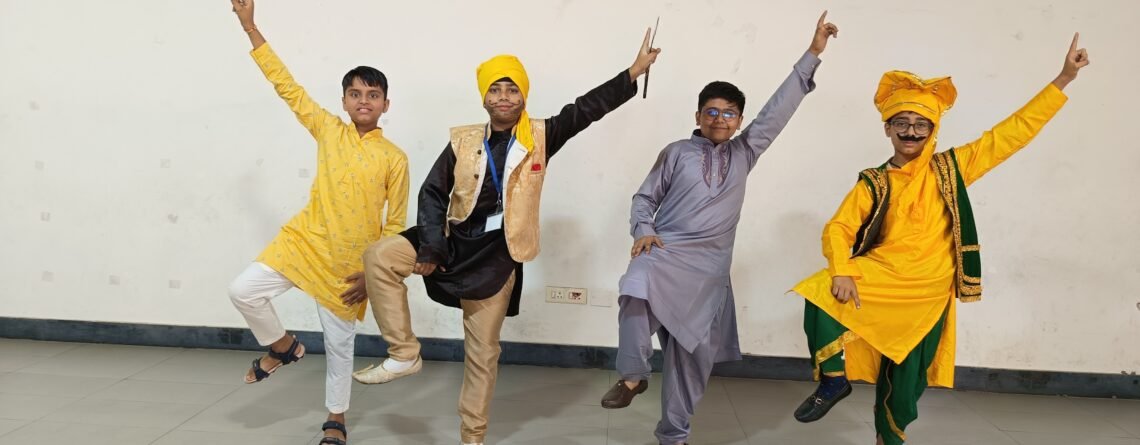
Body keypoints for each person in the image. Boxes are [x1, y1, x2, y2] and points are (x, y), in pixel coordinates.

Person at [789, 33, 1089, 445]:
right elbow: (839, 228)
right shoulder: (874, 181)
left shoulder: (951, 168)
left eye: (920, 124)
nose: (911, 132)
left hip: (928, 290)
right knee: (819, 289)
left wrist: (1064, 78)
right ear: (888, 129)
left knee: (904, 382)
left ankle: (888, 439)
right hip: (884, 278)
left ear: (933, 129)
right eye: (902, 123)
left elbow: (1011, 134)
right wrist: (842, 270)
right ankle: (833, 380)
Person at [600, 12, 839, 445]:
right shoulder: (676, 152)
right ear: (698, 114)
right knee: (634, 287)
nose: (720, 119)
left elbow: (778, 111)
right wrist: (643, 231)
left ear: (740, 120)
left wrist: (813, 53)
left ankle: (673, 437)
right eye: (711, 111)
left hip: (710, 273)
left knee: (691, 363)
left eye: (730, 114)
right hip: (666, 253)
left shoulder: (745, 152)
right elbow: (643, 198)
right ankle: (633, 376)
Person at [225, 0, 410, 443]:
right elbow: (286, 87)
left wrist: (373, 275)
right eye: (355, 94)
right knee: (243, 290)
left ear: (386, 104)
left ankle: (336, 419)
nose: (363, 101)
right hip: (304, 243)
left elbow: (396, 227)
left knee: (340, 347)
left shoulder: (395, 158)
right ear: (344, 101)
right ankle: (283, 346)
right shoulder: (328, 130)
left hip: (349, 265)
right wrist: (251, 28)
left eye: (372, 95)